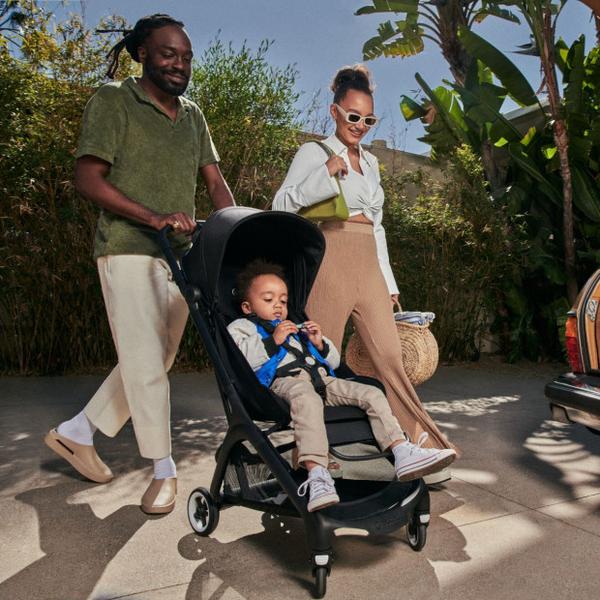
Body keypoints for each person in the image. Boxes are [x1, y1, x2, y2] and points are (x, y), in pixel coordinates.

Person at [44, 14, 235, 514]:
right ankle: (163, 470)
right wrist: (153, 217)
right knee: (146, 361)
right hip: (127, 245)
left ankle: (78, 431)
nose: (179, 64)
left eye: (186, 57)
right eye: (168, 54)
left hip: (181, 256)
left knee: (157, 357)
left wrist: (234, 231)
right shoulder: (113, 100)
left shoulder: (192, 115)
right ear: (143, 53)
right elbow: (88, 179)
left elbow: (215, 183)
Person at [272, 65, 457, 482]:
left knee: (391, 358)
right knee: (319, 359)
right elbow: (281, 205)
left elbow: (378, 227)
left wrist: (388, 283)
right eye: (353, 116)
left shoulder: (371, 162)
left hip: (368, 263)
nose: (360, 125)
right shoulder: (314, 153)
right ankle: (311, 459)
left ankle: (417, 446)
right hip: (329, 259)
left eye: (368, 119)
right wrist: (325, 173)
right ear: (335, 111)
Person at [227, 259, 456, 511]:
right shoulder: (242, 327)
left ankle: (401, 451)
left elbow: (333, 362)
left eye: (283, 300)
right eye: (268, 299)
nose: (278, 306)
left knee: (371, 393)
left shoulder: (295, 327)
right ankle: (317, 474)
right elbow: (241, 360)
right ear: (247, 306)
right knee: (307, 399)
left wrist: (319, 343)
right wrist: (273, 340)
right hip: (285, 384)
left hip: (323, 380)